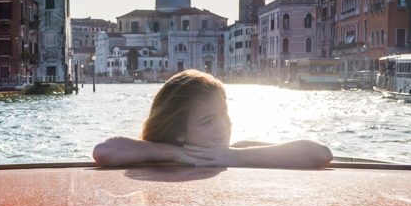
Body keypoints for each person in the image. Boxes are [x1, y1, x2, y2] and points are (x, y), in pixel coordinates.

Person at [92, 69, 333, 169]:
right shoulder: (155, 154)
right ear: (178, 131)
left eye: (224, 115)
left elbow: (320, 153)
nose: (223, 127)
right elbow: (104, 151)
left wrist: (234, 156)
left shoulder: (238, 150)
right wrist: (175, 153)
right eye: (208, 121)